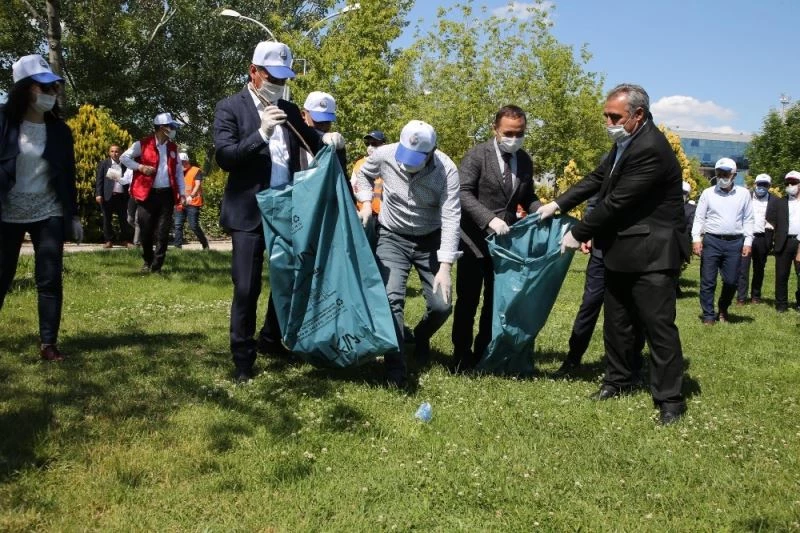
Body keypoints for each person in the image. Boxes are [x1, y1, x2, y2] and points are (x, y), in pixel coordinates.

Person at [536, 83, 689, 425]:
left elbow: (618, 202)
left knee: (656, 326)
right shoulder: (625, 142)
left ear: (638, 114)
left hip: (652, 252)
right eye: (606, 115)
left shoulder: (650, 148)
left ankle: (670, 400)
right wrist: (557, 204)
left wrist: (578, 232)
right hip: (622, 248)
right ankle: (618, 379)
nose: (608, 122)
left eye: (615, 116)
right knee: (618, 322)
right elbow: (596, 179)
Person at [213, 40, 343, 383]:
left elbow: (312, 144)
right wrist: (260, 132)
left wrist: (327, 141)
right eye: (273, 76)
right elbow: (225, 157)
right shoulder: (230, 108)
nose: (278, 84)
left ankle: (272, 339)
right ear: (253, 72)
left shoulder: (287, 106)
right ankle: (243, 358)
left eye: (284, 78)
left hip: (287, 210)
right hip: (250, 212)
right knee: (246, 287)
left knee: (288, 281)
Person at [353, 120, 461, 387]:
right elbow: (364, 175)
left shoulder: (447, 171)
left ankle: (420, 336)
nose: (407, 163)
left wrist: (445, 266)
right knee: (391, 301)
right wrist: (366, 203)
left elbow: (451, 217)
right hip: (392, 236)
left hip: (430, 240)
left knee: (442, 305)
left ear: (431, 152)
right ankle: (396, 369)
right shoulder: (385, 154)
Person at [0, 54, 82, 361]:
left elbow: (68, 175)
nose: (50, 94)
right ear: (24, 89)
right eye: (42, 88)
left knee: (49, 279)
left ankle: (48, 344)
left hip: (48, 211)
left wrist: (72, 215)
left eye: (53, 88)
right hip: (7, 210)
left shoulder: (60, 131)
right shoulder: (3, 123)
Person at [452, 105, 540, 371]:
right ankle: (460, 353)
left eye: (520, 132)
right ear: (495, 129)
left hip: (505, 244)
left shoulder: (524, 160)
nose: (514, 138)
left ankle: (484, 350)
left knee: (495, 300)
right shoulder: (477, 155)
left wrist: (544, 210)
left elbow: (526, 196)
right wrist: (488, 219)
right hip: (473, 241)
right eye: (509, 133)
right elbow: (463, 193)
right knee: (468, 300)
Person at [554, 195, 646, 377]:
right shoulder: (608, 167)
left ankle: (633, 360)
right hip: (601, 251)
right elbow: (593, 204)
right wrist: (588, 234)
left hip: (631, 251)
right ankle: (573, 358)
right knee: (589, 304)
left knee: (632, 308)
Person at [121, 112, 185, 273]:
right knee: (146, 230)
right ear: (162, 128)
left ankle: (157, 266)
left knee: (163, 232)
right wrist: (140, 167)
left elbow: (178, 172)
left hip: (167, 195)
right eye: (170, 126)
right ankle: (147, 260)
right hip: (146, 194)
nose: (173, 129)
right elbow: (124, 157)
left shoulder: (172, 147)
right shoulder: (142, 144)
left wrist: (182, 193)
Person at [691, 158, 753, 324]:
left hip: (735, 243)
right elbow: (699, 218)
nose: (722, 177)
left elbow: (748, 219)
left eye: (725, 173)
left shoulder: (744, 194)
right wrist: (696, 239)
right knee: (708, 281)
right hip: (712, 241)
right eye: (719, 173)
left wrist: (748, 242)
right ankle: (708, 315)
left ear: (734, 175)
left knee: (732, 281)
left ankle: (723, 307)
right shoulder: (708, 193)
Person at [737, 173, 776, 304]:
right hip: (746, 237)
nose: (761, 187)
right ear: (755, 184)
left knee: (759, 269)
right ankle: (741, 297)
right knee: (743, 268)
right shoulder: (746, 197)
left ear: (769, 186)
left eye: (765, 185)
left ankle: (755, 296)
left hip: (762, 238)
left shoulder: (774, 200)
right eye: (760, 184)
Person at [299, 91, 348, 175]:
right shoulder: (294, 140)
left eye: (327, 121)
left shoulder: (333, 143)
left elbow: (342, 175)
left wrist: (339, 150)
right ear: (304, 115)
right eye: (318, 121)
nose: (324, 126)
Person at [772, 170, 800, 312]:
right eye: (787, 183)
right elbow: (771, 220)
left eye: (793, 182)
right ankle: (781, 304)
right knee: (781, 274)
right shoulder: (779, 202)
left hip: (799, 242)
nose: (790, 185)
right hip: (784, 242)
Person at [95, 144, 132, 248]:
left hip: (122, 197)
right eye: (112, 151)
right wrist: (98, 194)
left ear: (120, 153)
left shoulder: (125, 165)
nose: (114, 153)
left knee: (124, 219)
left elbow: (129, 180)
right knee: (107, 219)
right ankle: (108, 241)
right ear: (109, 152)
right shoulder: (104, 164)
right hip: (108, 196)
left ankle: (125, 240)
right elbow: (99, 180)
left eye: (117, 151)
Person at [173, 152, 209, 250]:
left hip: (193, 202)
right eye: (179, 163)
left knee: (193, 225)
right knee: (178, 225)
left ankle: (205, 244)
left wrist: (191, 196)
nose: (182, 164)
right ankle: (177, 247)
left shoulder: (195, 171)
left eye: (183, 162)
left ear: (187, 161)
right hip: (180, 202)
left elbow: (197, 185)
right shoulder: (176, 172)